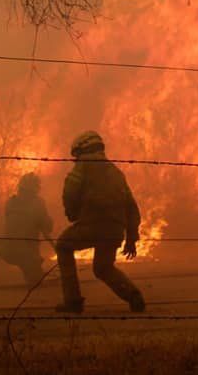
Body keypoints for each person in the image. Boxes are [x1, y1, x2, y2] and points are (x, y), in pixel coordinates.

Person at [54, 131, 145, 314]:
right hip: (114, 230)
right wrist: (131, 237)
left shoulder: (83, 166)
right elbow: (131, 206)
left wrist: (72, 214)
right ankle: (133, 295)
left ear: (81, 149)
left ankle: (73, 302)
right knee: (103, 267)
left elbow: (70, 192)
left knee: (63, 246)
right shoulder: (116, 172)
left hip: (91, 225)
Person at [0, 172, 53, 288]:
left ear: (20, 187)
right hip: (28, 256)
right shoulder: (38, 203)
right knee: (38, 284)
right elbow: (47, 228)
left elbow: (12, 225)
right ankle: (35, 274)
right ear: (36, 189)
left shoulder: (10, 202)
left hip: (7, 251)